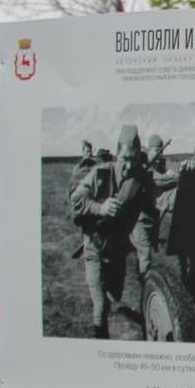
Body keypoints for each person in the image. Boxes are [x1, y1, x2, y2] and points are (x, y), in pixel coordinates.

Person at [68, 125, 152, 338]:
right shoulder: (100, 173)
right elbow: (76, 200)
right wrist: (100, 208)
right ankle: (100, 336)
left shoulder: (140, 179)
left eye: (134, 158)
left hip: (117, 252)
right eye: (125, 158)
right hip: (94, 247)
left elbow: (166, 184)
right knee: (101, 303)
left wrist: (190, 168)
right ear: (117, 153)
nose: (129, 164)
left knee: (115, 294)